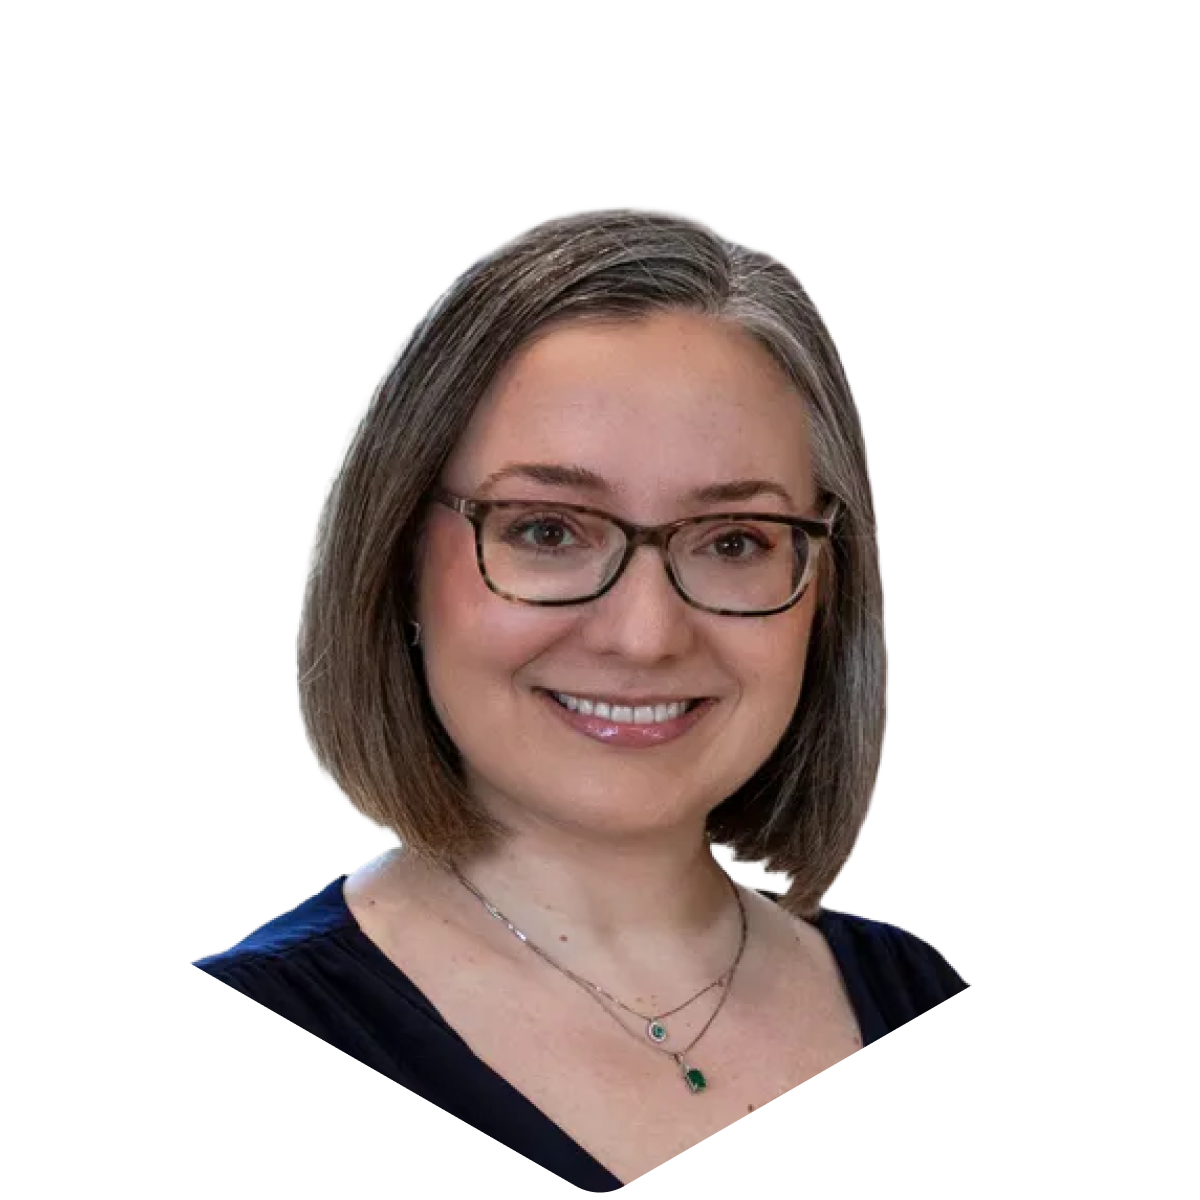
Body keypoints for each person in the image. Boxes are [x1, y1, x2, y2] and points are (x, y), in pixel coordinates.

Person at [191, 207, 969, 1189]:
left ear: (827, 586)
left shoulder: (913, 989)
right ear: (397, 564)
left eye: (734, 541)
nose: (645, 635)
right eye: (549, 530)